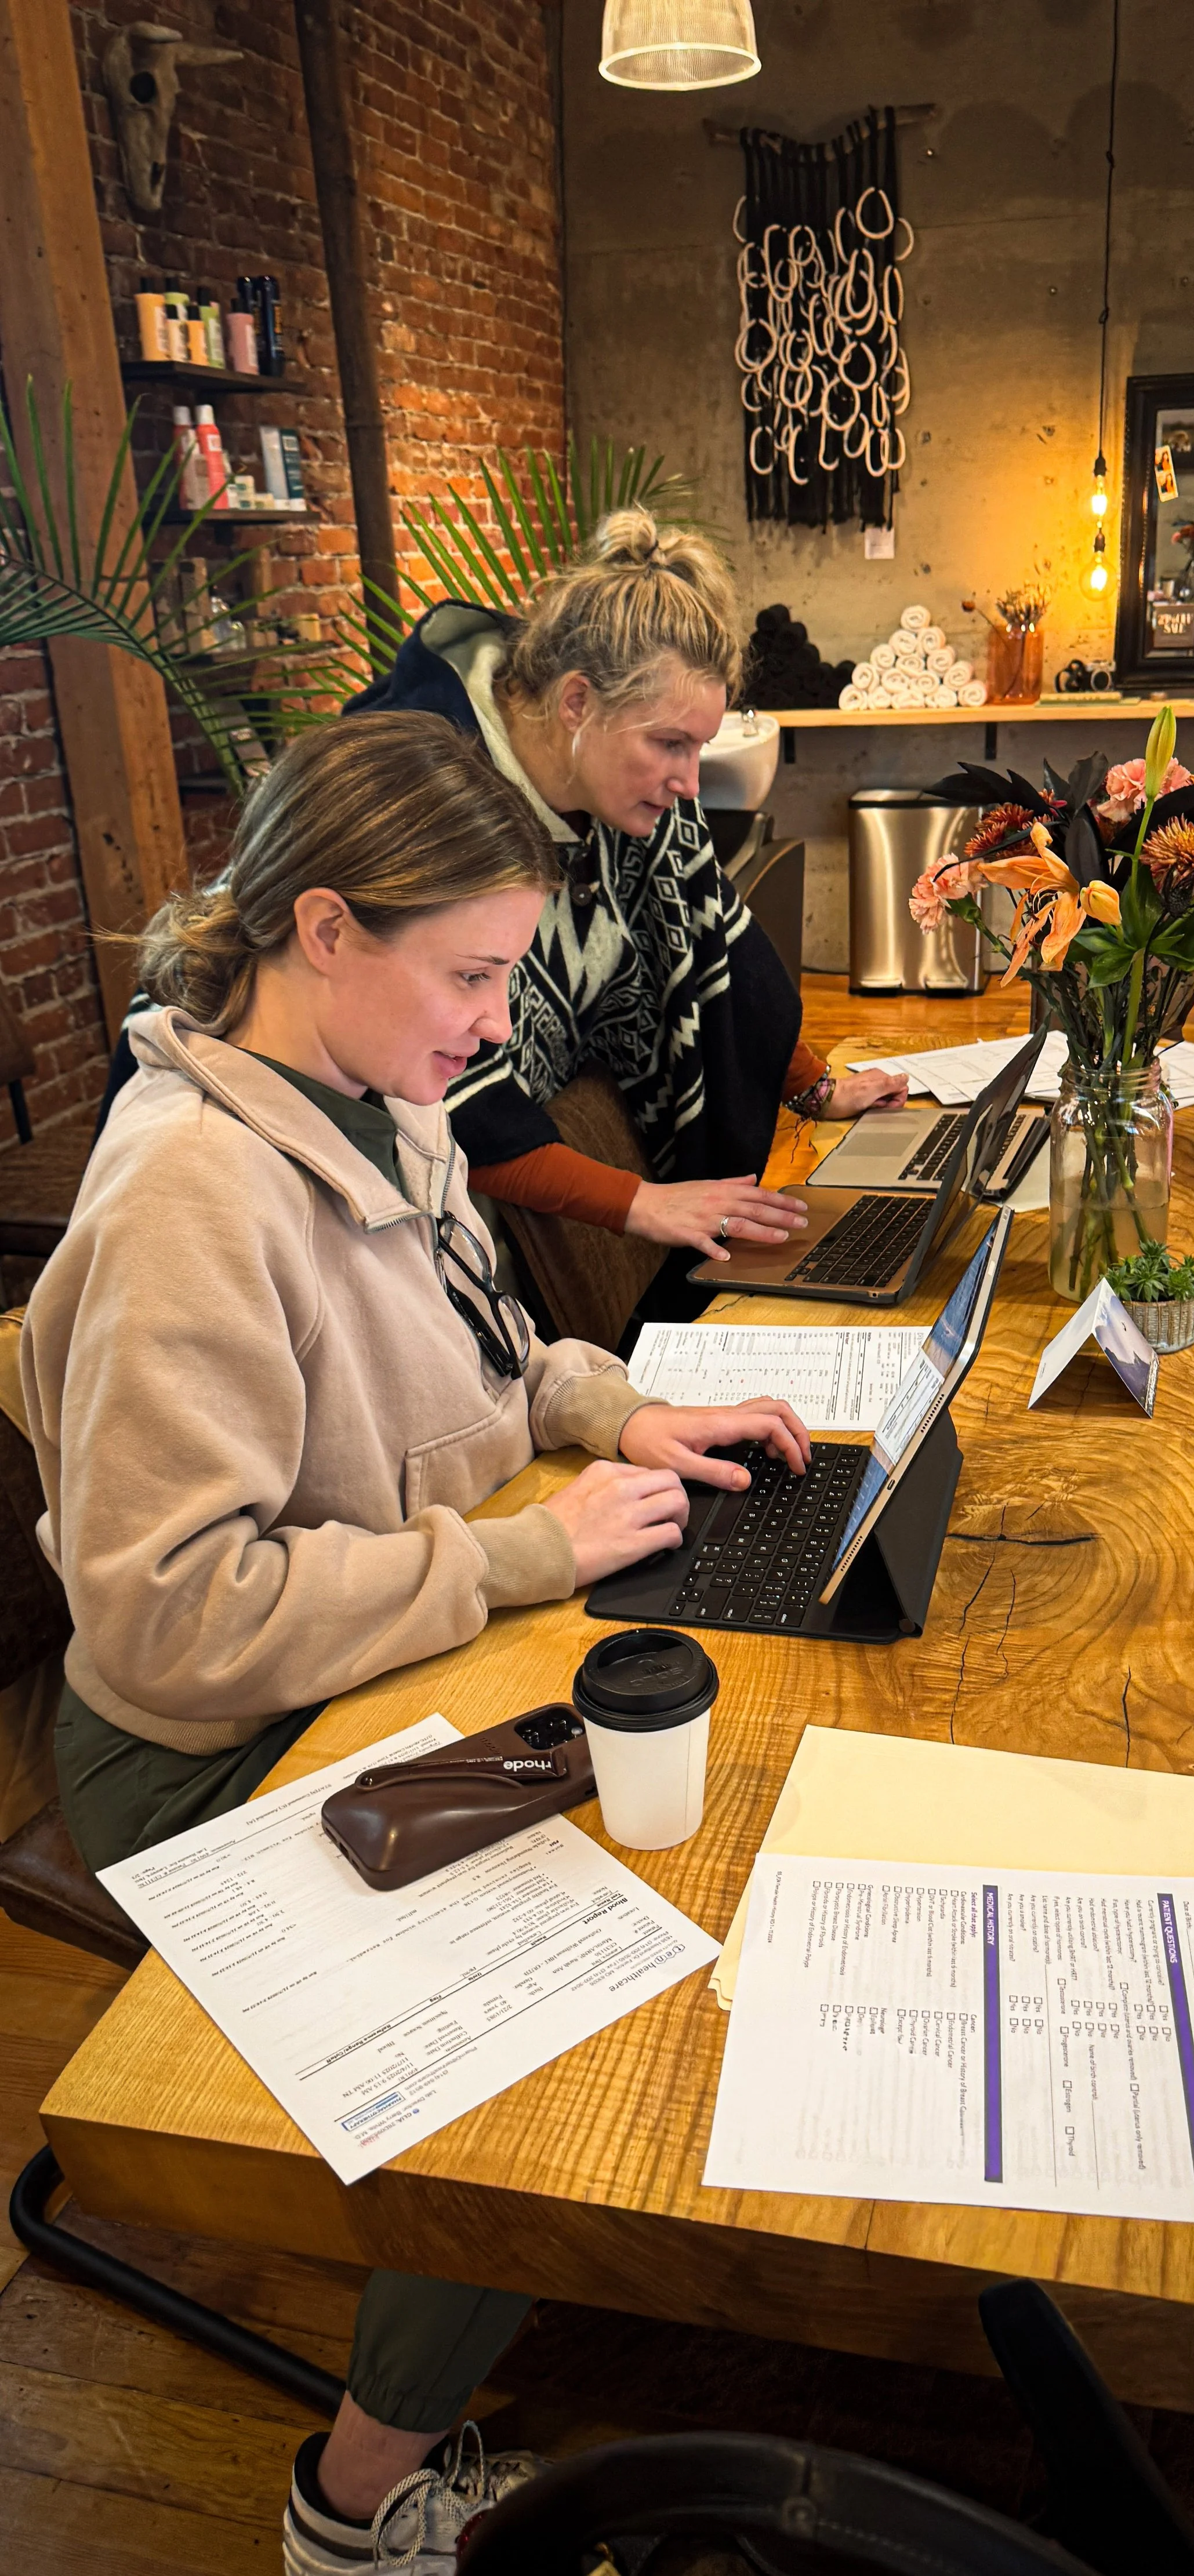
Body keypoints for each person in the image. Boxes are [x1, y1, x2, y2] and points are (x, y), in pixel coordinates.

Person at [21, 711, 812, 2576]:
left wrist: (619, 1412)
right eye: (465, 974)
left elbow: (488, 1356)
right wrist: (514, 1552)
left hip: (367, 1666)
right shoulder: (188, 1198)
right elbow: (167, 1608)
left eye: (502, 974)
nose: (487, 1022)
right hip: (207, 1741)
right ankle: (354, 2504)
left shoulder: (382, 1097)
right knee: (536, 2047)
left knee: (691, 1811)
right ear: (318, 929)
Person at [347, 505, 906, 1305]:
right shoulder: (425, 803)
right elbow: (451, 1097)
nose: (689, 780)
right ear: (577, 702)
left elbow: (715, 943)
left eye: (700, 747)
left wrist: (817, 1091)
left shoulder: (627, 794)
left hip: (535, 1191)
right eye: (670, 744)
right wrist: (643, 1204)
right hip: (398, 1228)